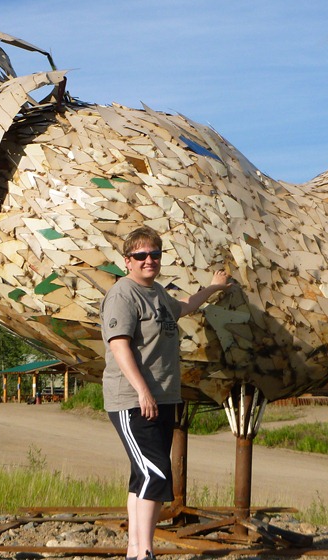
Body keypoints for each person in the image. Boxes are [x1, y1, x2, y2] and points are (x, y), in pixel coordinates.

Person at [101, 226, 231, 560]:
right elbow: (119, 346)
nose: (149, 260)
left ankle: (135, 550)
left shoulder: (157, 293)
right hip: (133, 400)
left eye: (155, 254)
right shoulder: (122, 295)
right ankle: (146, 550)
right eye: (141, 255)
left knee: (142, 475)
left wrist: (213, 288)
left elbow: (183, 307)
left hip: (162, 398)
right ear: (127, 260)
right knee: (155, 473)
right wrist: (142, 391)